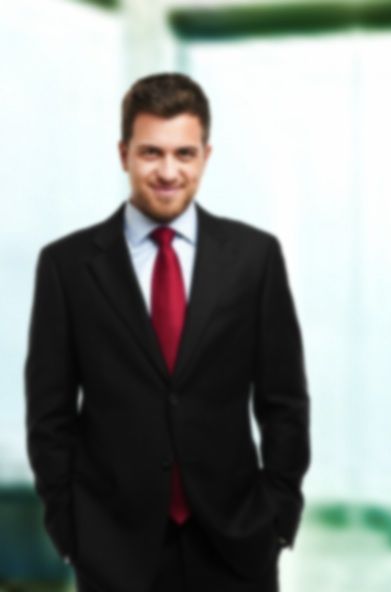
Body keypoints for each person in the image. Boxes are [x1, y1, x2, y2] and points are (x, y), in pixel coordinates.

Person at [25, 73, 310, 592]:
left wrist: (277, 517)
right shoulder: (66, 267)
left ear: (205, 155)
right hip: (113, 548)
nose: (168, 171)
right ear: (124, 154)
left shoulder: (254, 259)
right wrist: (71, 529)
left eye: (183, 153)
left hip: (236, 543)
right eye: (151, 153)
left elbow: (284, 402)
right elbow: (50, 415)